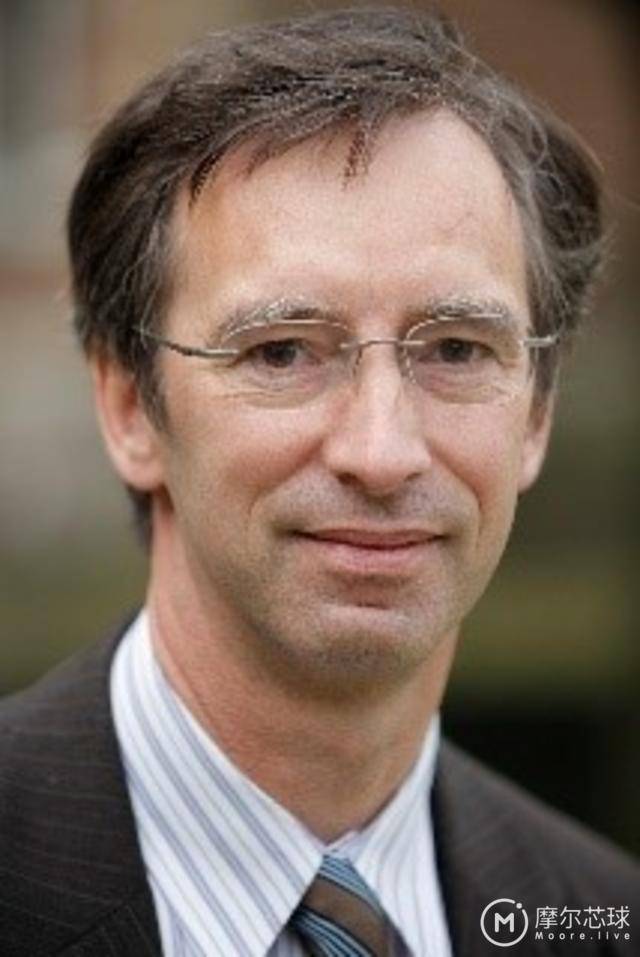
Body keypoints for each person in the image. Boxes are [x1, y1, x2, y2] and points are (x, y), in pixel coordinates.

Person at [1, 6, 637, 956]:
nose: (382, 452)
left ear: (537, 411)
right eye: (283, 351)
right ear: (130, 407)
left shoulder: (600, 915)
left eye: (458, 349)